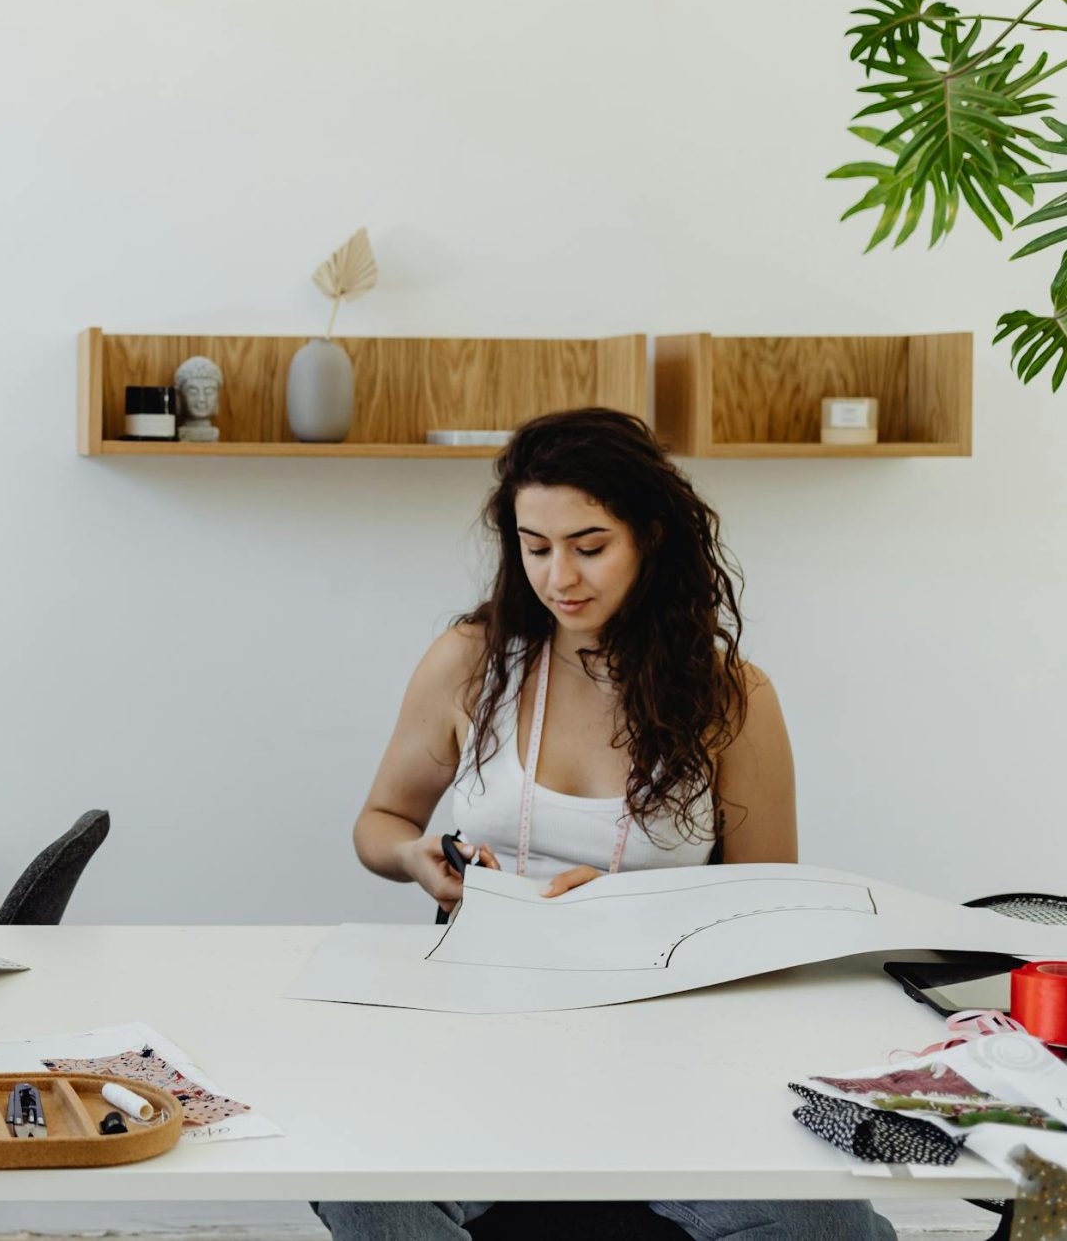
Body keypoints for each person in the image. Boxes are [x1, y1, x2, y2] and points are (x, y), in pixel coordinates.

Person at [315, 408, 892, 1241]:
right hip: (483, 1033)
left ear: (650, 537)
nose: (560, 576)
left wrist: (630, 909)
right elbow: (381, 819)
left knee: (827, 1225)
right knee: (354, 1176)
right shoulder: (470, 663)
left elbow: (776, 917)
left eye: (590, 545)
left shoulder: (733, 700)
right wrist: (414, 858)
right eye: (535, 545)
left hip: (666, 1052)